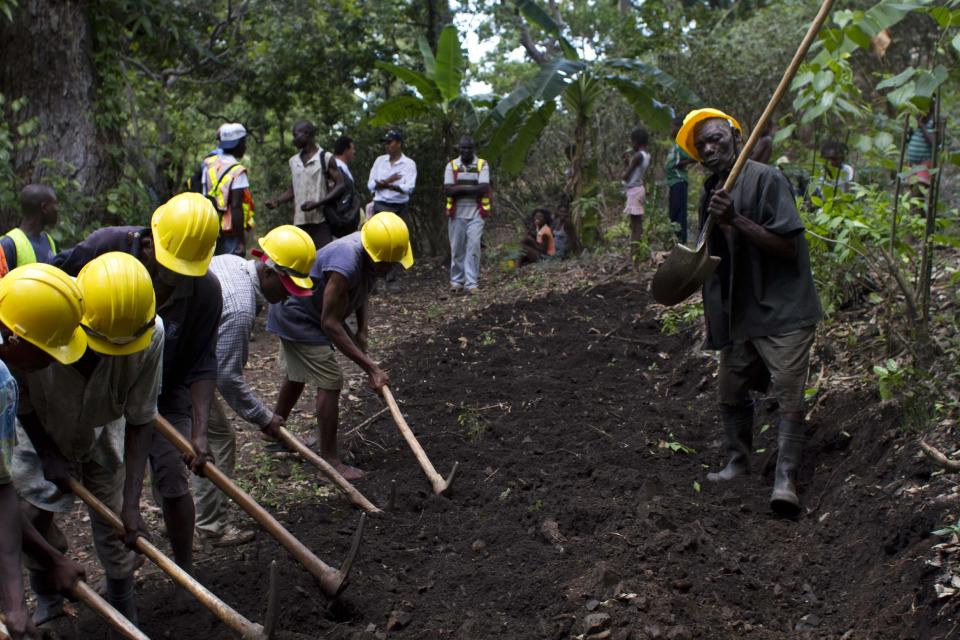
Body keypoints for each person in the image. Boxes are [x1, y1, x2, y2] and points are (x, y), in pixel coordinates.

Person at [50, 193, 223, 574]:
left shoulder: (206, 292)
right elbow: (52, 294)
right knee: (70, 489)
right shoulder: (102, 249)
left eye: (186, 270)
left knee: (174, 480)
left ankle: (185, 573)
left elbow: (202, 363)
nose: (175, 276)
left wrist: (198, 431)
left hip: (165, 388)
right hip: (93, 381)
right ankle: (90, 576)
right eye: (169, 265)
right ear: (150, 241)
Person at [675, 108, 822, 516]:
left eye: (717, 138)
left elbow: (788, 246)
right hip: (741, 311)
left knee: (789, 393)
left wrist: (735, 219)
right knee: (731, 389)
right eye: (701, 144)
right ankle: (738, 461)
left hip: (782, 308)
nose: (709, 147)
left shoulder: (767, 178)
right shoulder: (712, 191)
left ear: (736, 138)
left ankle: (786, 479)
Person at [12, 254, 161, 626]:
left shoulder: (151, 334)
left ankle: (124, 613)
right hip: (40, 427)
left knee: (116, 528)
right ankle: (49, 603)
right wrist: (47, 453)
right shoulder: (42, 325)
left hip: (101, 431)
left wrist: (132, 503)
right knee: (32, 514)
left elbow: (141, 416)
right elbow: (22, 395)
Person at [267, 212, 413, 481]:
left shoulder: (369, 253)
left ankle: (273, 432)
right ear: (379, 258)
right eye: (391, 264)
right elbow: (330, 323)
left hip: (312, 313)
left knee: (297, 373)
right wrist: (371, 369)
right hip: (298, 314)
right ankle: (330, 462)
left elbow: (361, 292)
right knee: (331, 380)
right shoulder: (346, 262)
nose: (394, 268)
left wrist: (362, 330)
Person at [195, 225, 316, 546]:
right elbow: (226, 378)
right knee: (218, 440)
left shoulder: (233, 264)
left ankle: (179, 515)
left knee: (180, 443)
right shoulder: (240, 308)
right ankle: (210, 526)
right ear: (270, 272)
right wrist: (264, 417)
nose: (290, 295)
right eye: (288, 286)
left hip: (182, 354)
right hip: (182, 368)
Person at [0, 265, 87, 639]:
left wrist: (52, 558)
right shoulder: (1, 385)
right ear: (15, 339)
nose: (55, 360)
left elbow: (1, 492)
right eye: (49, 349)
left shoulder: (7, 380)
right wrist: (15, 605)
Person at [266, 121, 344, 250]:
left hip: (321, 221)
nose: (294, 139)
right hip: (300, 223)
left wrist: (318, 203)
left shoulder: (325, 157)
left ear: (307, 134)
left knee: (323, 259)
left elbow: (340, 185)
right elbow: (293, 189)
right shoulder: (293, 161)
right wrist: (277, 201)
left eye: (296, 135)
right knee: (302, 263)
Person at [444, 135, 491, 293]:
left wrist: (459, 189)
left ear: (473, 149)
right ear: (459, 148)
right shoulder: (451, 165)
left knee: (474, 248)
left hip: (476, 213)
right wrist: (472, 188)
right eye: (463, 147)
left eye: (469, 148)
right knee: (457, 248)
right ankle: (457, 282)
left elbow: (484, 188)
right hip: (457, 214)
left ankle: (471, 284)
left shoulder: (482, 164)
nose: (466, 150)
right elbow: (448, 190)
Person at [203, 122, 255, 256]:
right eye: (244, 142)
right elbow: (236, 206)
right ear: (237, 144)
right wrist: (240, 240)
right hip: (229, 230)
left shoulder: (208, 164)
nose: (245, 146)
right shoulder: (238, 171)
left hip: (209, 226)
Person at [0, 185, 59, 277]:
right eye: (55, 204)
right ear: (44, 208)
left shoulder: (48, 240)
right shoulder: (8, 244)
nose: (57, 209)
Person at [367, 129, 417, 221]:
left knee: (399, 235)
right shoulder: (379, 160)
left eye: (389, 142)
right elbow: (370, 185)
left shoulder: (409, 164)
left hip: (399, 207)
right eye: (385, 143)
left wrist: (384, 185)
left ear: (399, 143)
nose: (387, 146)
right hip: (380, 205)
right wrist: (388, 181)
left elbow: (408, 188)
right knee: (378, 235)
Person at [665, 117, 696, 244]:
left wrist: (680, 163)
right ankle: (675, 238)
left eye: (673, 127)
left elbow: (694, 157)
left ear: (679, 128)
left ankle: (681, 240)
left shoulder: (682, 143)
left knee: (679, 212)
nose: (671, 129)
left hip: (679, 182)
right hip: (673, 183)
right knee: (673, 212)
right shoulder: (675, 144)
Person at [622, 127, 651, 256]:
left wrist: (625, 170)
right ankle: (636, 250)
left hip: (634, 190)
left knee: (636, 224)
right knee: (636, 222)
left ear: (636, 142)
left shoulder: (638, 156)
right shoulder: (646, 155)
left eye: (632, 141)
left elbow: (626, 176)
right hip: (638, 188)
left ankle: (635, 252)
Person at [906, 110, 935, 189]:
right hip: (912, 163)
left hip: (924, 163)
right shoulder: (917, 117)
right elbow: (908, 138)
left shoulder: (935, 120)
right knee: (909, 190)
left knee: (918, 189)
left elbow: (934, 143)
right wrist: (914, 123)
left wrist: (922, 125)